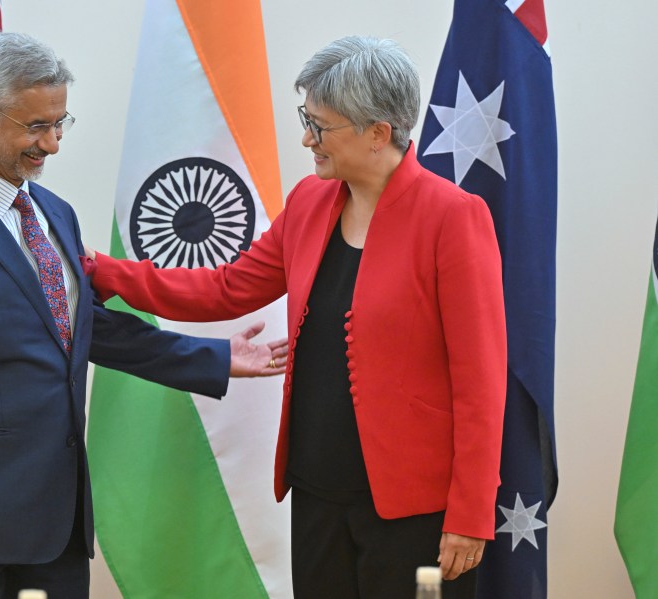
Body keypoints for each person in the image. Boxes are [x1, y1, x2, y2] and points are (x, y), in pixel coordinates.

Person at [0, 31, 287, 599]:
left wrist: (215, 356)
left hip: (55, 530)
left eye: (60, 123)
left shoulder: (54, 213)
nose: (53, 144)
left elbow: (80, 329)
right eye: (36, 127)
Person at [84, 36, 507, 598]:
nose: (307, 138)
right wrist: (99, 272)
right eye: (306, 119)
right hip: (316, 494)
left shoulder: (453, 218)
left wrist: (471, 514)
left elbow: (481, 382)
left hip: (415, 514)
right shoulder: (310, 201)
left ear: (378, 132)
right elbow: (225, 290)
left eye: (321, 126)